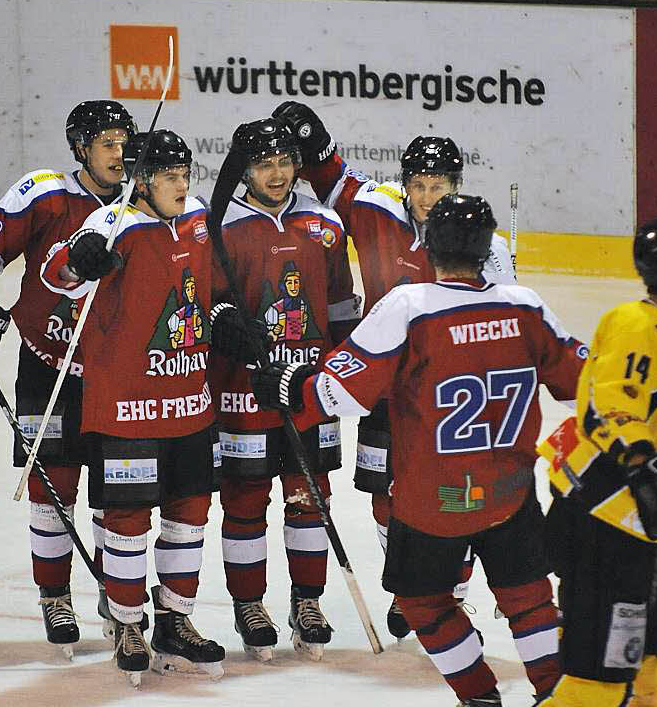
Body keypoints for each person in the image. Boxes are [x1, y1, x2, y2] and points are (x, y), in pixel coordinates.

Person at [251, 194, 587, 706]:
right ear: (486, 247)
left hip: (436, 502)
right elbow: (589, 383)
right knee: (530, 600)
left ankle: (479, 695)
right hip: (511, 494)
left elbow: (338, 393)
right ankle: (561, 697)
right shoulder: (526, 304)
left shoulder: (411, 306)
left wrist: (288, 385)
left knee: (422, 604)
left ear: (429, 245)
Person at [271, 101, 515, 639]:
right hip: (385, 384)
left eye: (439, 186)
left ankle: (450, 596)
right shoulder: (378, 207)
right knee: (386, 491)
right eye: (420, 186)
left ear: (457, 186)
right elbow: (329, 174)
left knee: (455, 493)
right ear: (405, 184)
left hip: (452, 394)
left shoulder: (482, 242)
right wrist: (313, 138)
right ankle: (412, 588)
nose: (428, 198)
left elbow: (501, 322)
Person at [39, 129, 266, 686]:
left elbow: (209, 294)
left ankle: (175, 621)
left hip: (191, 404)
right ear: (143, 181)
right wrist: (79, 258)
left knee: (189, 518)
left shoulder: (193, 222)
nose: (182, 186)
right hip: (127, 407)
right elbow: (57, 274)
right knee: (128, 521)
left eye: (186, 175)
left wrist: (227, 317)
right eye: (170, 177)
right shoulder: (113, 225)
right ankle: (126, 622)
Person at [0, 100, 136, 657]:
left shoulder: (143, 201)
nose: (119, 153)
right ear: (81, 149)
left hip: (118, 373)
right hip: (46, 358)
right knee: (52, 486)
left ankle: (117, 589)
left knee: (118, 487)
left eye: (124, 142)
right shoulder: (45, 192)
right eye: (106, 143)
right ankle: (54, 594)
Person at [536, 217, 657, 707]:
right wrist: (649, 480)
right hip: (599, 521)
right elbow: (610, 406)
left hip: (635, 525)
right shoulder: (634, 324)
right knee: (595, 684)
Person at [209, 117, 361, 662]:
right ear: (244, 171)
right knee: (245, 501)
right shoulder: (220, 228)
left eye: (284, 162)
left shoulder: (324, 223)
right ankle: (249, 603)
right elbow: (206, 303)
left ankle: (307, 600)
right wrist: (224, 322)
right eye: (263, 164)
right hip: (243, 392)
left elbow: (342, 303)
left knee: (309, 498)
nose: (276, 174)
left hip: (308, 388)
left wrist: (344, 365)